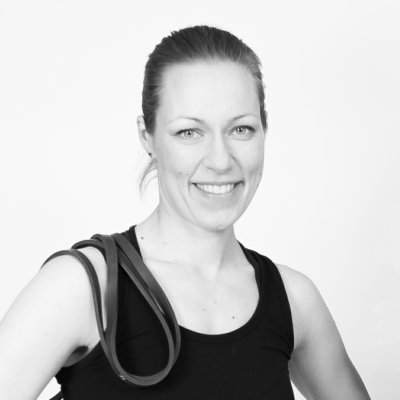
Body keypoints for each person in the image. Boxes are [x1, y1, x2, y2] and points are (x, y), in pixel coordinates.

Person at [0, 25, 371, 400]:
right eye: (189, 132)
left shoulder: (294, 300)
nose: (220, 161)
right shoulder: (81, 286)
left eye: (241, 129)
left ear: (264, 130)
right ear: (147, 136)